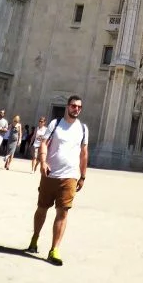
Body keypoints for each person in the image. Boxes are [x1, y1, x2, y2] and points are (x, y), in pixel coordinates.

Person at [27, 95, 89, 266]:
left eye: (79, 107)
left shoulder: (83, 129)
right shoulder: (55, 124)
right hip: (50, 173)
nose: (76, 109)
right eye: (73, 106)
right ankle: (35, 237)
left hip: (70, 176)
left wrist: (83, 175)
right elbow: (44, 143)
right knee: (42, 208)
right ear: (67, 107)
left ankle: (55, 249)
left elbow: (84, 153)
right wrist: (43, 161)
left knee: (63, 212)